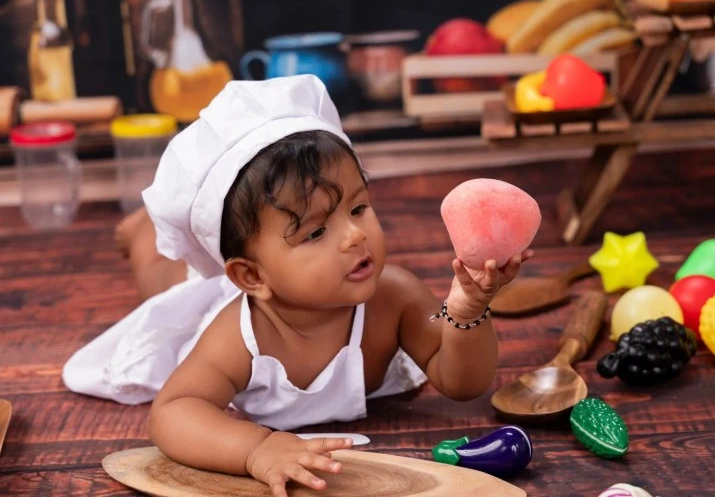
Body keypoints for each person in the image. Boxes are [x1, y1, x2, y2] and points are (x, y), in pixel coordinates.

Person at [63, 75, 532, 497]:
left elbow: (462, 383)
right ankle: (142, 234)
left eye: (358, 208)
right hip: (219, 294)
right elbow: (172, 412)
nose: (354, 236)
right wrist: (255, 448)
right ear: (252, 276)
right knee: (167, 289)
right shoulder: (239, 335)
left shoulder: (394, 296)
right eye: (316, 232)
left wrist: (468, 311)